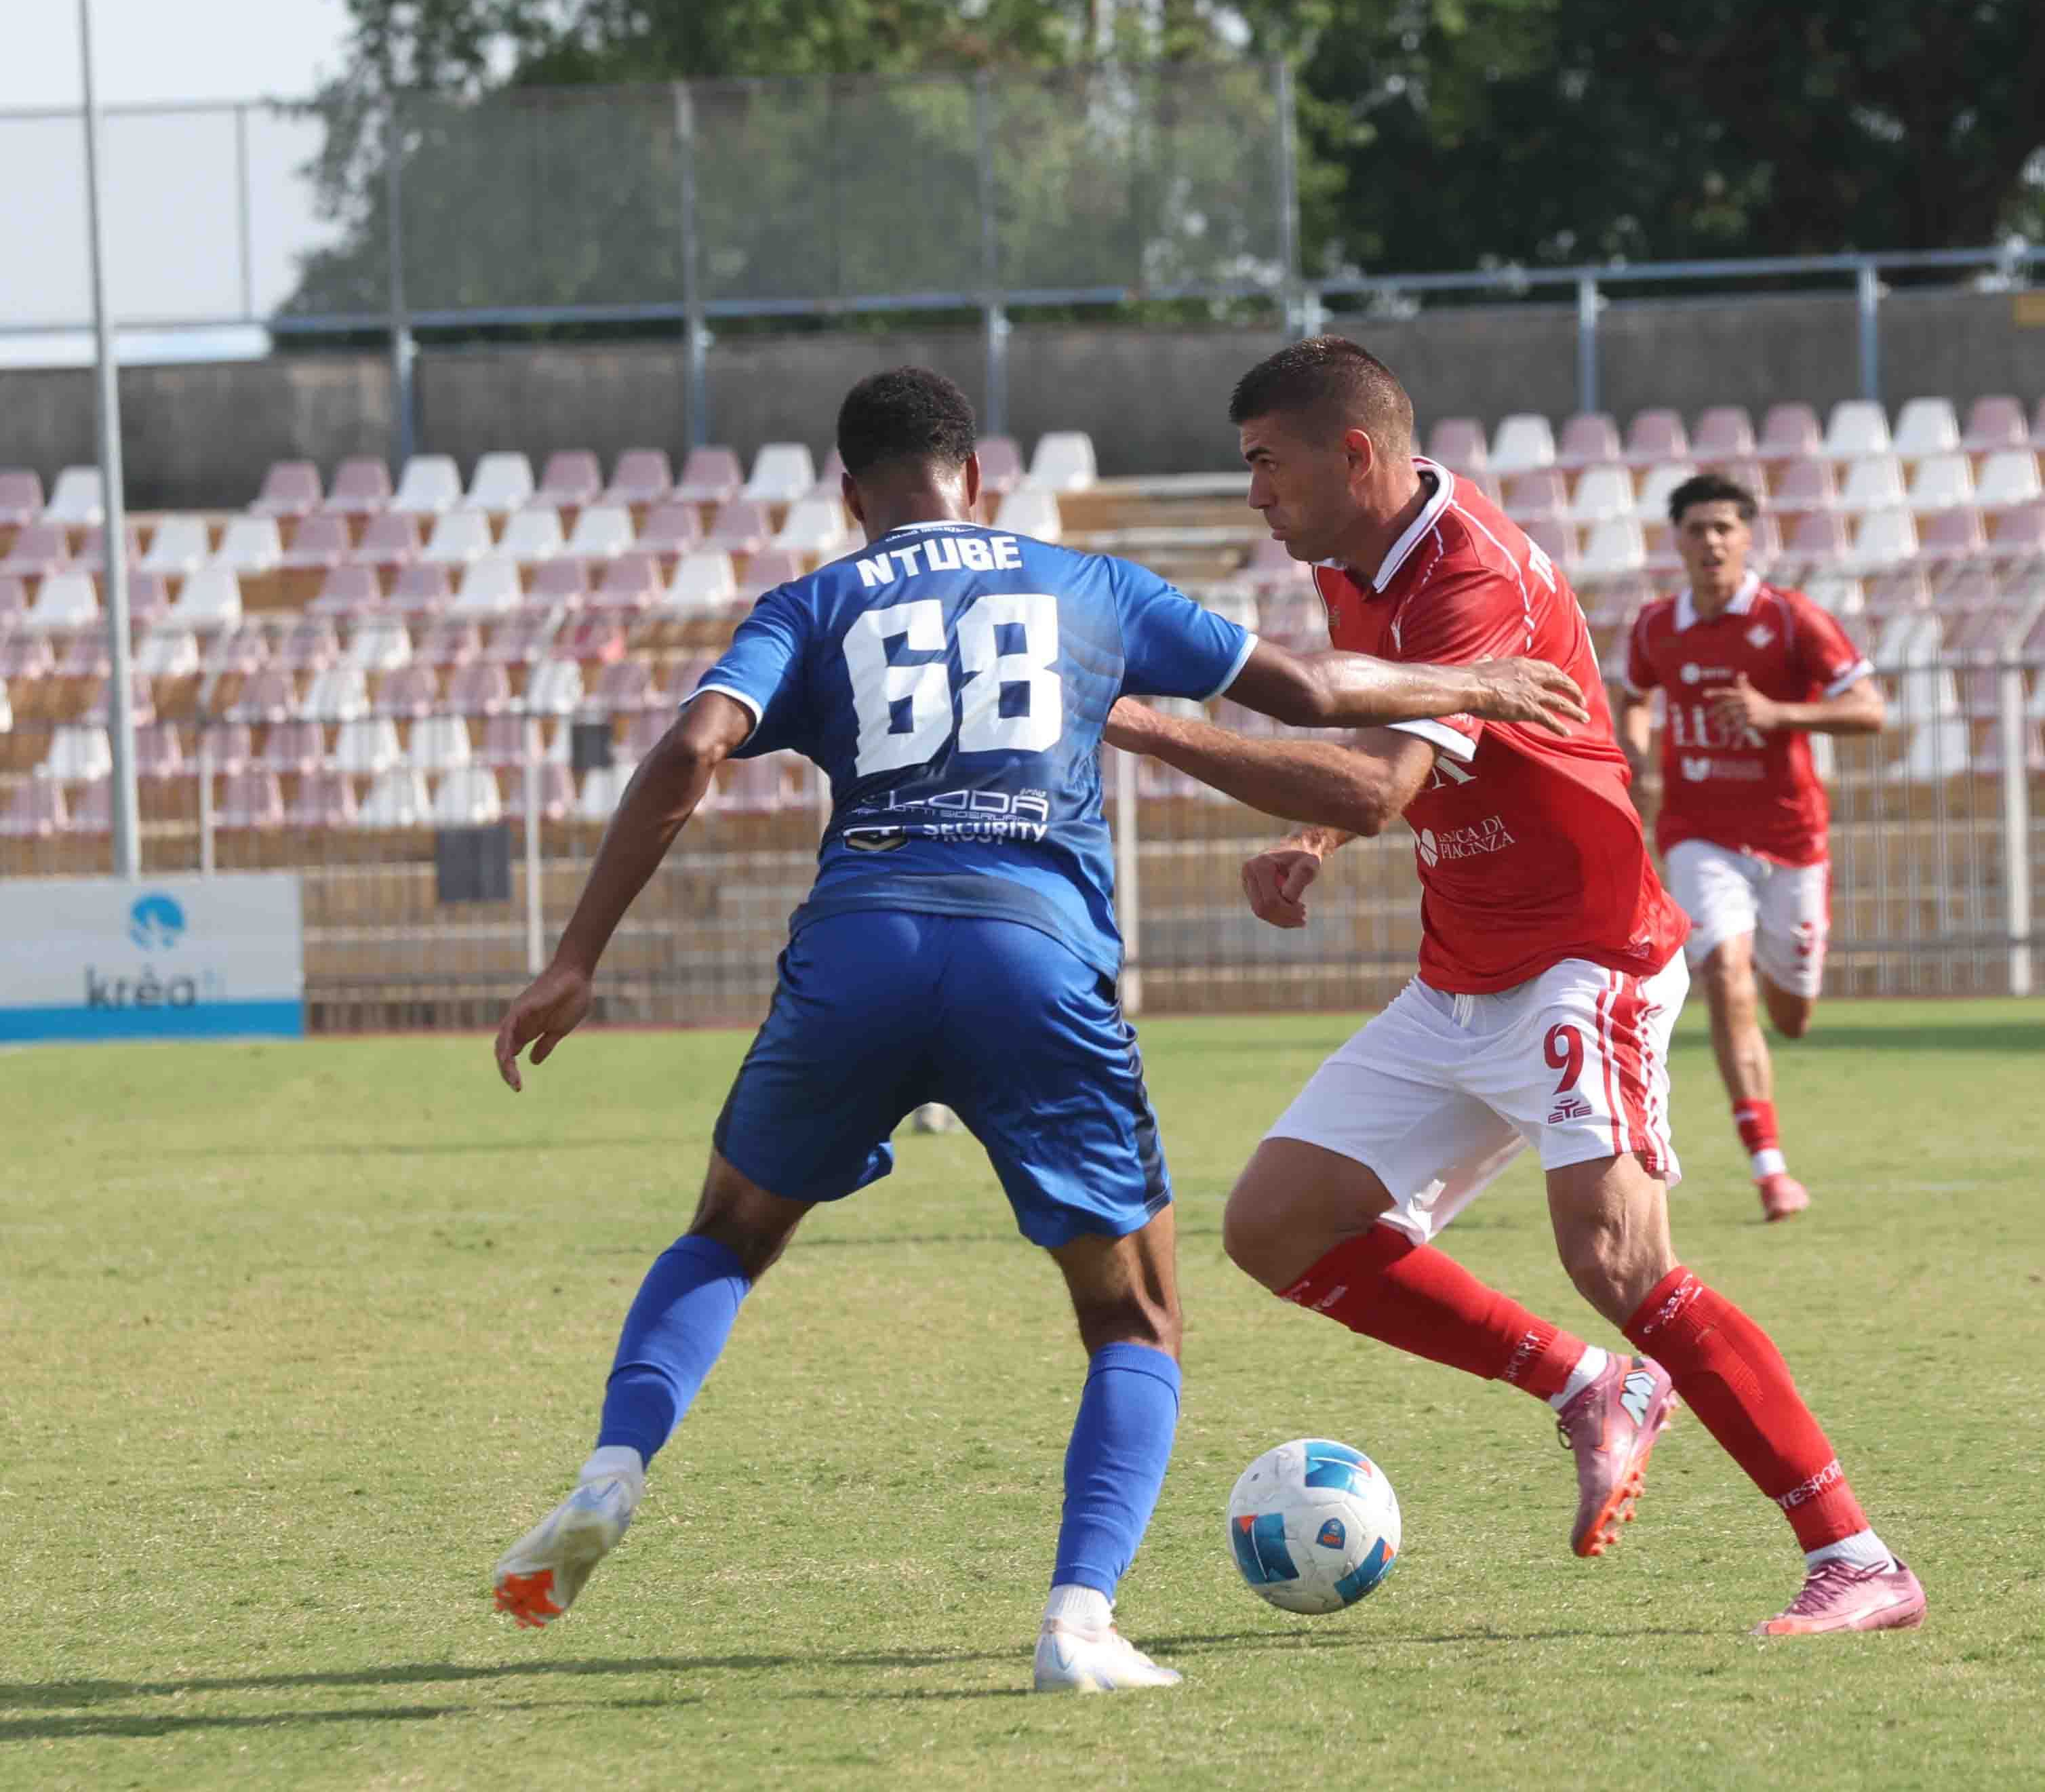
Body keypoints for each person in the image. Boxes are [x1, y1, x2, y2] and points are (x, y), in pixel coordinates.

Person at [486, 365, 1590, 1692]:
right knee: (1134, 1316)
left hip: (858, 950)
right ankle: (1077, 1619)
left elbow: (688, 749)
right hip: (1034, 958)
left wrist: (575, 955)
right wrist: (1471, 683)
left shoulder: (813, 602)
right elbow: (1303, 688)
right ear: (977, 477)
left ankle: (613, 1469)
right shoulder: (1086, 583)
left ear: (849, 493)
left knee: (727, 1232)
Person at [1106, 338, 1924, 1637]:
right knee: (1275, 1223)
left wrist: (1136, 721)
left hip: (1583, 955)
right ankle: (1590, 1384)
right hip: (1463, 969)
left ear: (1353, 454)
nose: (1253, 492)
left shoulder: (1465, 573)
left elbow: (1376, 782)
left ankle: (1858, 1555)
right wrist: (1311, 837)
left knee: (1617, 1254)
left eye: (1266, 462)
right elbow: (1393, 749)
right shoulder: (1348, 563)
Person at [1615, 473, 1884, 1221]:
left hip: (1791, 838)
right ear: (1676, 540)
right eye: (1696, 528)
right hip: (1698, 833)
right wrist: (1639, 756)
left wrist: (1778, 713)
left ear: (1746, 537)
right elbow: (1634, 696)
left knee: (1791, 1014)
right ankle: (1770, 1169)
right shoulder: (1655, 626)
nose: (1711, 541)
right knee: (1725, 973)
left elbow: (1870, 709)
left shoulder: (1791, 618)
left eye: (1724, 527)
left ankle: (1777, 973)